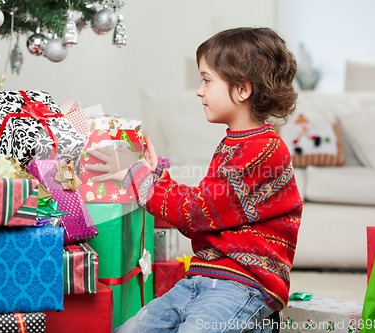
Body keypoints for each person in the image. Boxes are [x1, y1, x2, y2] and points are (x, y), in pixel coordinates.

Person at [86, 27, 303, 333]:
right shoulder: (235, 144)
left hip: (243, 283)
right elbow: (206, 211)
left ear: (242, 90)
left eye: (206, 80)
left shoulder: (263, 149)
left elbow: (198, 212)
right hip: (203, 277)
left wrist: (137, 175)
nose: (199, 90)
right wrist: (159, 177)